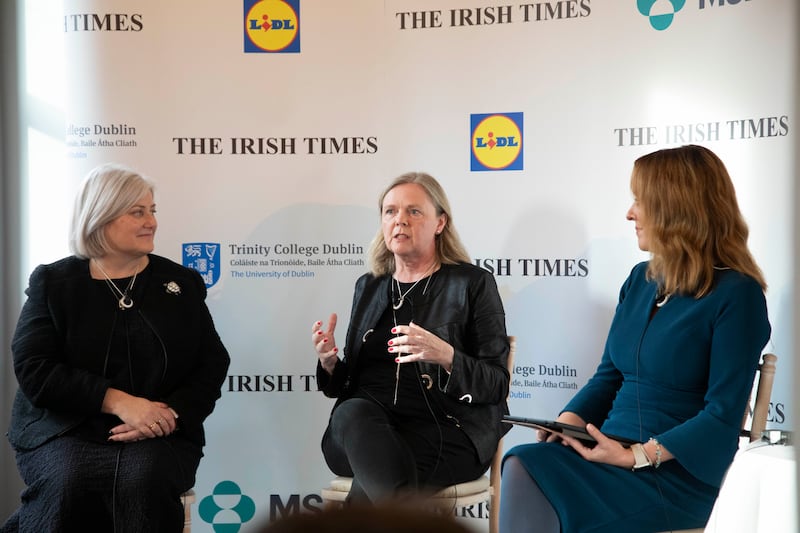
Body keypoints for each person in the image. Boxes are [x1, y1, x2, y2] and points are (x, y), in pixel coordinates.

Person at [499, 145, 771, 532]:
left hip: (677, 475)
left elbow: (722, 414)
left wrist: (636, 456)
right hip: (609, 451)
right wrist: (567, 423)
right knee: (525, 460)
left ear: (676, 209)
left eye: (640, 201)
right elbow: (608, 377)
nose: (630, 213)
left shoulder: (737, 294)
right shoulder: (639, 281)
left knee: (531, 473)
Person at [1, 163, 230, 532]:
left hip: (159, 432)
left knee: (141, 480)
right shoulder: (54, 283)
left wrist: (169, 414)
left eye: (152, 211)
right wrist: (121, 403)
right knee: (70, 481)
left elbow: (211, 363)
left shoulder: (180, 282)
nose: (151, 222)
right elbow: (35, 369)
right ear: (100, 218)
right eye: (137, 212)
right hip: (64, 430)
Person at [311, 171, 510, 504]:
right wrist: (330, 363)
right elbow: (346, 387)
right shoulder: (369, 285)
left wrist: (447, 356)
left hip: (445, 431)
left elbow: (496, 384)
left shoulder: (472, 284)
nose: (399, 220)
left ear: (440, 223)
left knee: (382, 473)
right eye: (390, 212)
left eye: (413, 211)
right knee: (352, 415)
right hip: (361, 431)